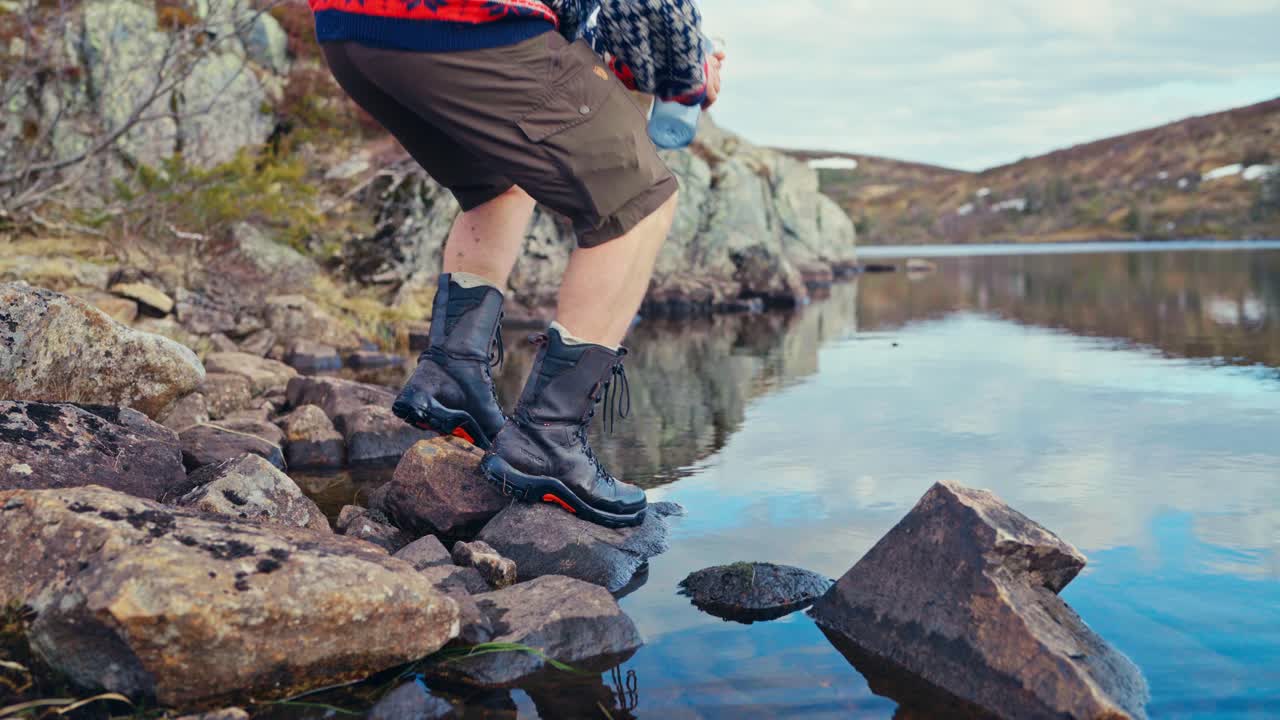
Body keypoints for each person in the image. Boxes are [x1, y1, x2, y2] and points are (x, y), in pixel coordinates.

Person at [311, 0, 724, 528]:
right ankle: (546, 438)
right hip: (464, 22)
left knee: (497, 185)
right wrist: (685, 74)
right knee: (640, 199)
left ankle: (451, 373)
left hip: (350, 30)